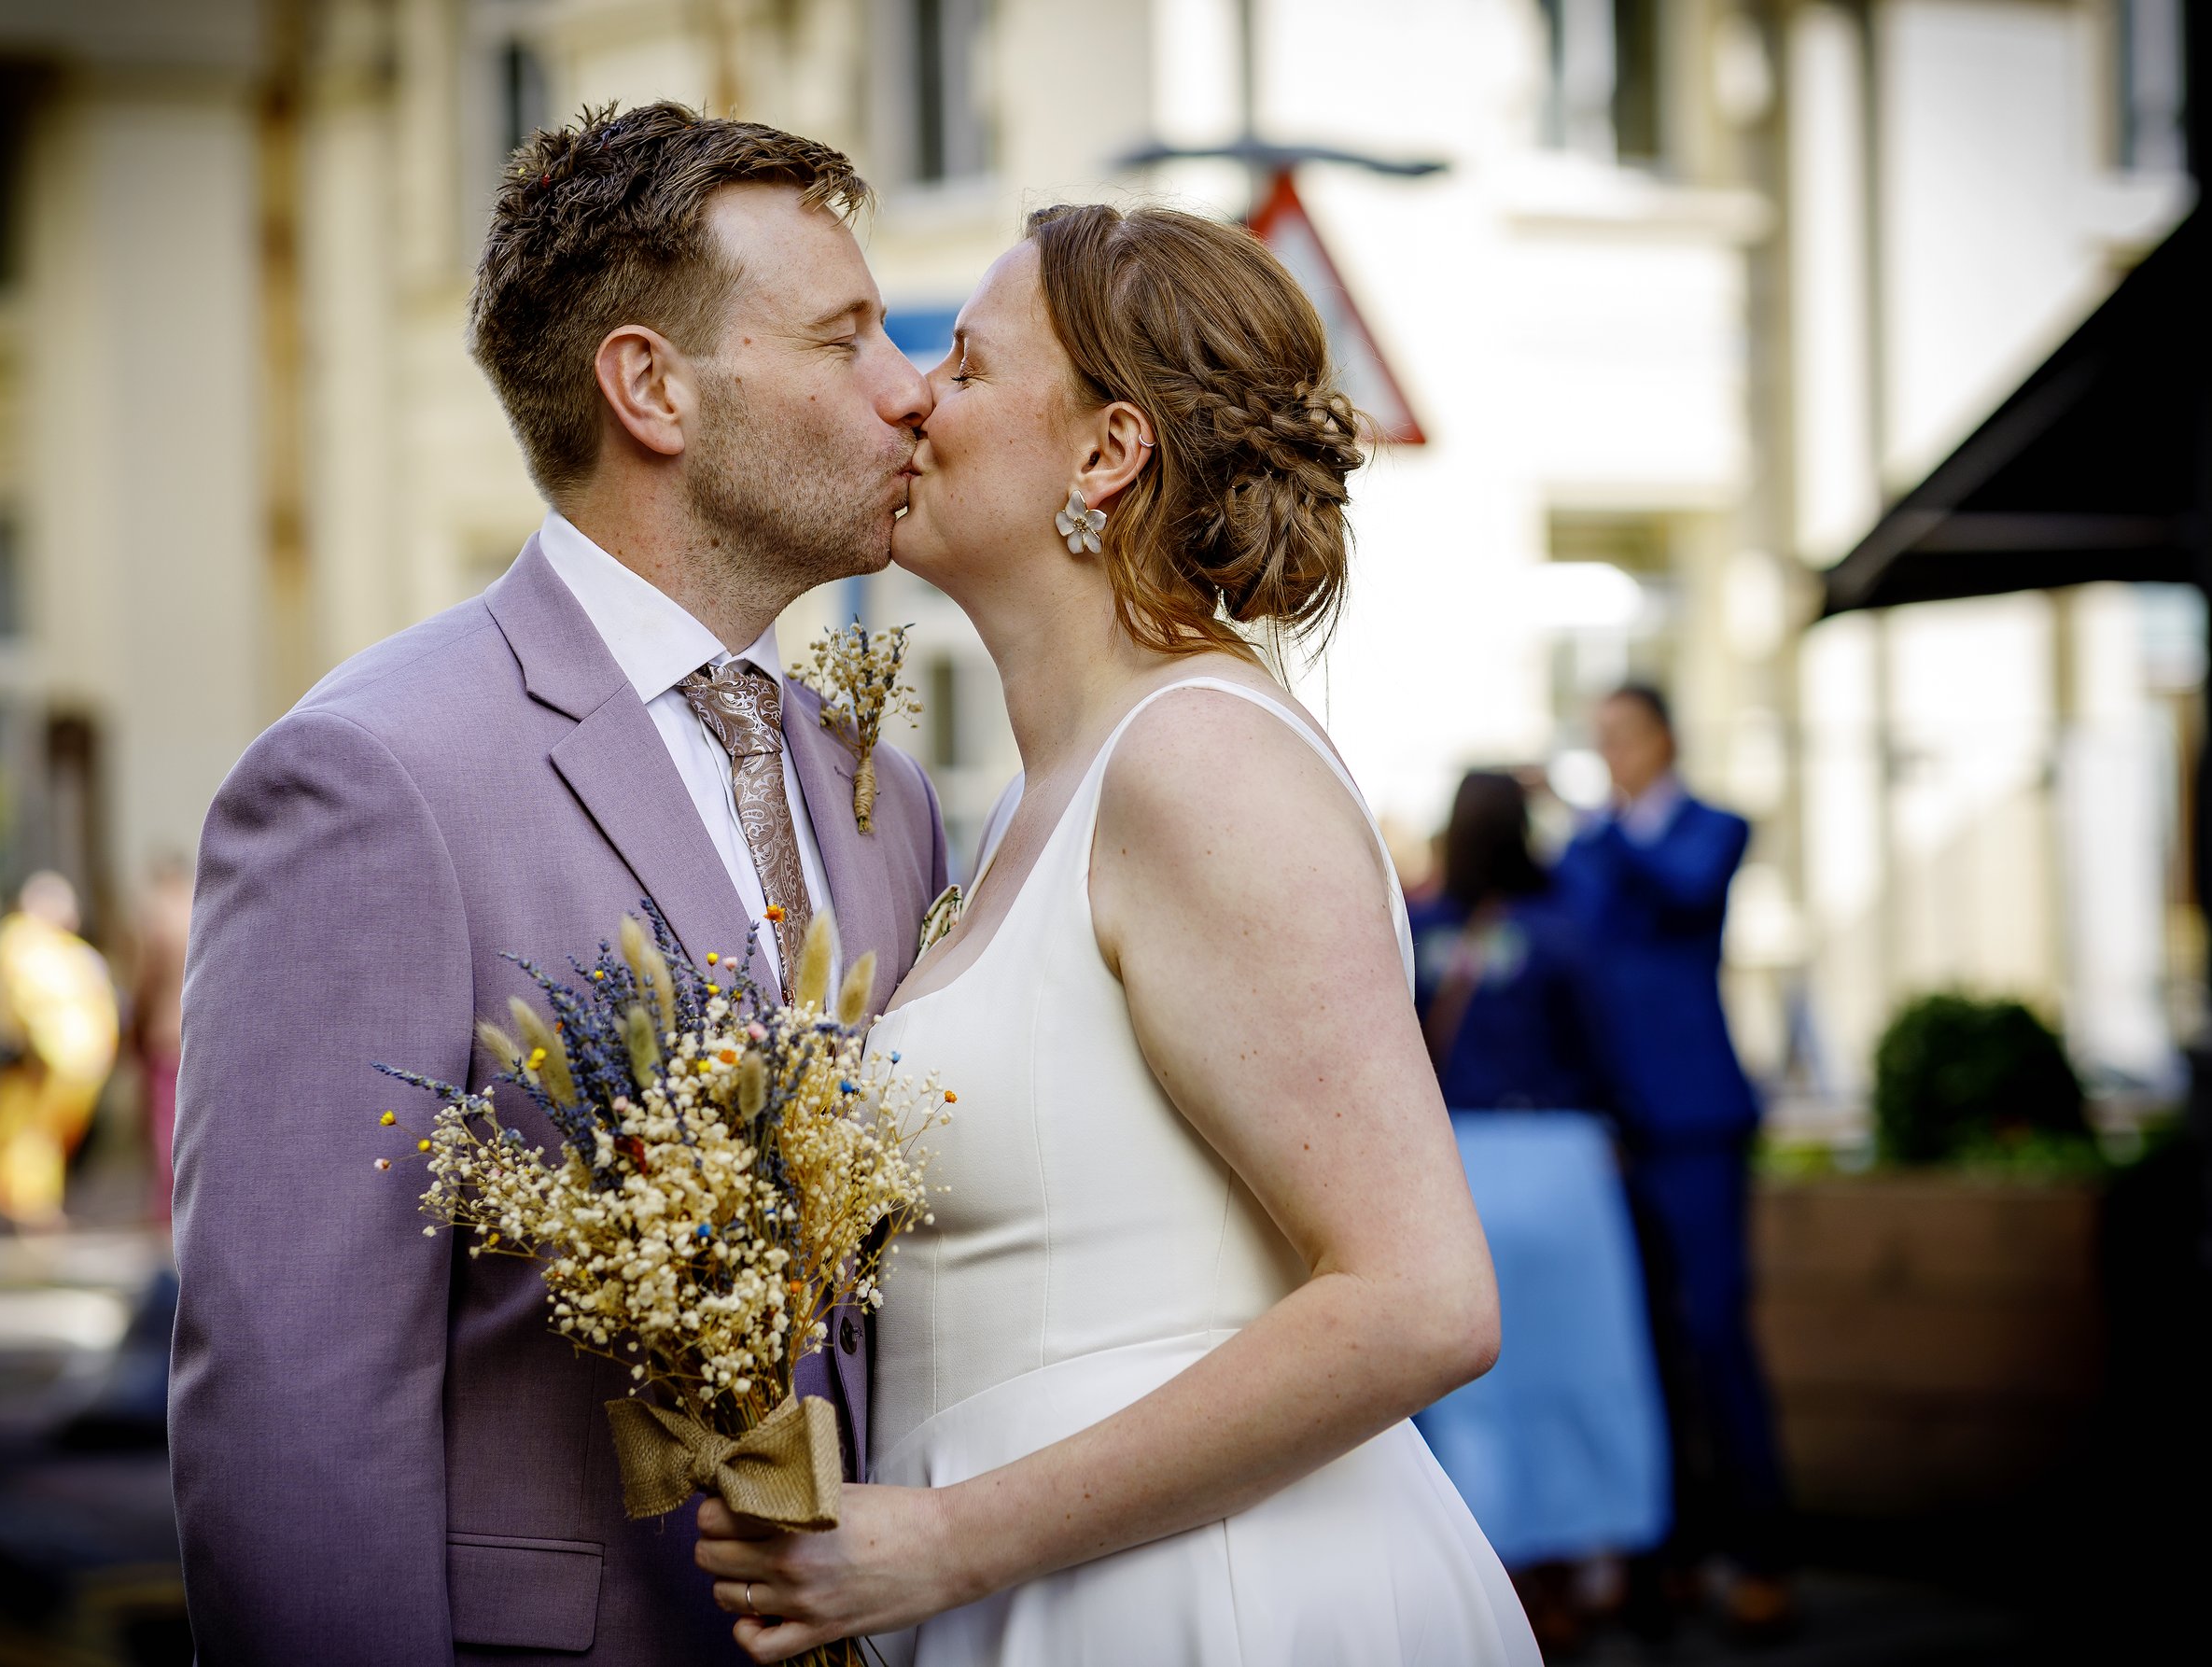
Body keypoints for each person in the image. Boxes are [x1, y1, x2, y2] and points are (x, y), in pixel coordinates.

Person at [688, 205, 1537, 1664]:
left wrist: (946, 1542)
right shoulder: (1033, 801)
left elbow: (1423, 1297)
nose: (907, 394)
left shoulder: (1199, 763)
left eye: (961, 362)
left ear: (1106, 453)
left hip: (1217, 1602)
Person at [170, 104, 948, 1663]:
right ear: (653, 388)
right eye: (846, 337)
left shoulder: (885, 796)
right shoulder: (374, 779)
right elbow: (296, 1394)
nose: (910, 388)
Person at [1408, 771, 1671, 1653]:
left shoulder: (1417, 933)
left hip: (1458, 1170)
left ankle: (1492, 1588)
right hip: (1559, 1169)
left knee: (1479, 1396)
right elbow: (1610, 1054)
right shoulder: (1563, 934)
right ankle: (1567, 1583)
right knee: (1578, 1376)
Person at [1553, 683, 1794, 1636]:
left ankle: (1762, 1550)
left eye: (1618, 736)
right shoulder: (1586, 849)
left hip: (1694, 1121)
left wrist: (1594, 830)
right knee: (1641, 1344)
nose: (1607, 754)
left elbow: (1681, 889)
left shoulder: (1710, 829)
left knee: (1715, 1334)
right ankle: (1671, 1548)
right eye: (1596, 738)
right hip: (1614, 1126)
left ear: (1663, 739)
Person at [0, 870, 119, 1229]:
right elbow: (19, 1001)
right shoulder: (20, 942)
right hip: (47, 1059)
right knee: (29, 1135)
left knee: (44, 1137)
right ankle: (32, 1210)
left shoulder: (60, 947)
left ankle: (35, 1205)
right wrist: (30, 1046)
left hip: (72, 1062)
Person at [125, 855, 191, 1223]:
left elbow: (144, 984)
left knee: (166, 1125)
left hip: (165, 1036)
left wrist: (132, 1031)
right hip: (197, 1038)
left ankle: (167, 1208)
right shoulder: (199, 910)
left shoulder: (158, 920)